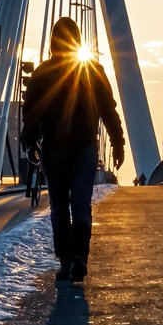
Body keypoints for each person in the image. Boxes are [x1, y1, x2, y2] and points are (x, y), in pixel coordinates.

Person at [21, 16, 125, 282]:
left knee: (58, 208)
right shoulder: (94, 71)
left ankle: (66, 261)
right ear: (77, 40)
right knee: (81, 206)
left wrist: (30, 142)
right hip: (83, 150)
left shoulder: (42, 73)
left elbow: (32, 112)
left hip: (53, 150)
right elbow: (109, 111)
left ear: (53, 41)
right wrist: (118, 142)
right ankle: (80, 257)